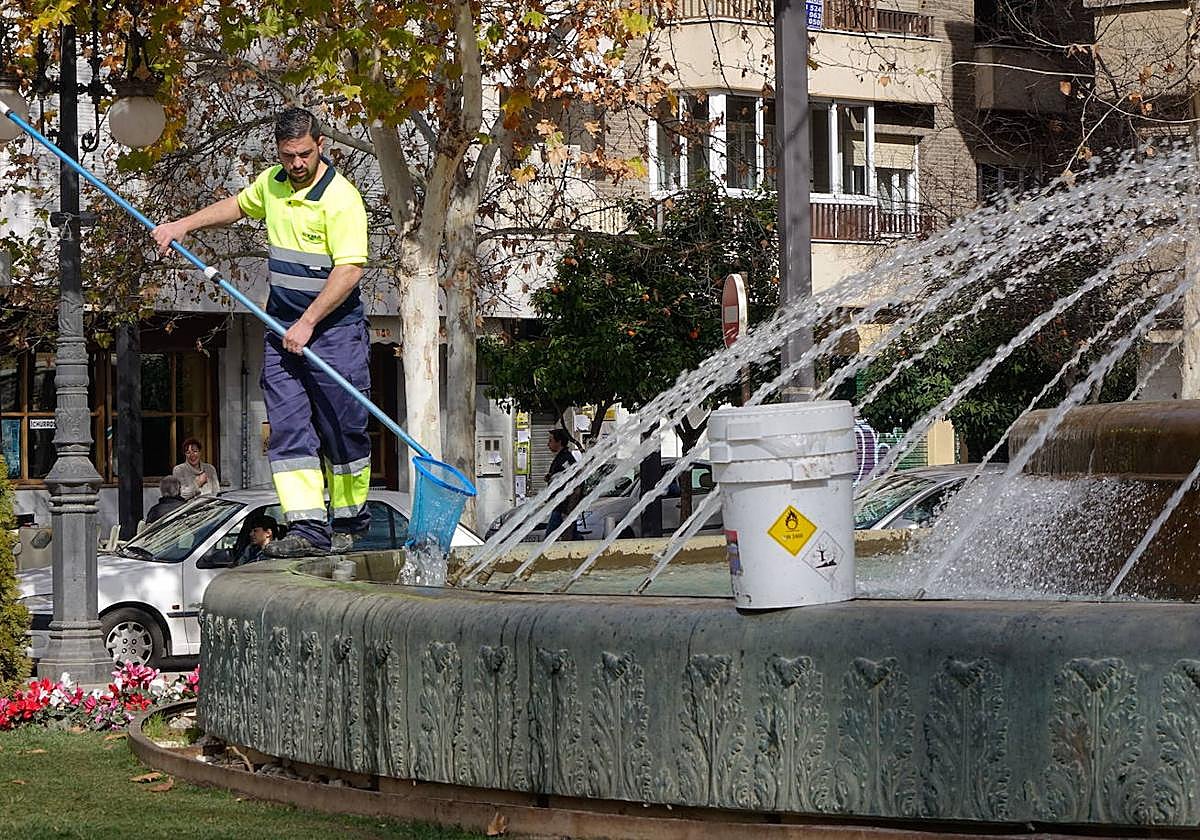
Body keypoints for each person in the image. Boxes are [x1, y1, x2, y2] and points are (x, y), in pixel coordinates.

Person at [153, 107, 371, 558]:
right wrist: (181, 226)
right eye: (288, 155)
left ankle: (349, 522)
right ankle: (308, 530)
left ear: (320, 147)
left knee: (342, 428)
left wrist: (309, 322)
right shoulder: (271, 183)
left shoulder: (341, 199)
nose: (296, 164)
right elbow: (235, 207)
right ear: (278, 150)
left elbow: (349, 270)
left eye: (304, 154)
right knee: (289, 430)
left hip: (333, 332)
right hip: (280, 328)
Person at [545, 428, 579, 540]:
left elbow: (574, 481)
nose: (547, 444)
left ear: (559, 442)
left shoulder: (566, 459)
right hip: (559, 505)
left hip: (562, 507)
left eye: (550, 441)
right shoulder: (560, 458)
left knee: (549, 539)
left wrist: (568, 509)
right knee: (570, 537)